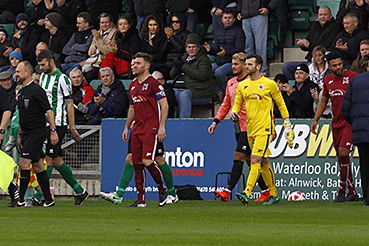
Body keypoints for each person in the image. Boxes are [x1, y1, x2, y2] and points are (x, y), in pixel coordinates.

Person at [230, 54, 295, 205]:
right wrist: (234, 112)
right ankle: (274, 194)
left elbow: (280, 103)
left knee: (255, 160)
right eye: (245, 64)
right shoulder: (243, 86)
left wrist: (287, 124)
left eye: (250, 64)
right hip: (250, 129)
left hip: (265, 129)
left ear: (258, 67)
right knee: (264, 161)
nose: (246, 67)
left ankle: (247, 192)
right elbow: (238, 104)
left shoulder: (269, 84)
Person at [209, 52, 270, 202]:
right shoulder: (231, 83)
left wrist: (271, 126)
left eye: (236, 64)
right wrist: (216, 121)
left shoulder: (253, 82)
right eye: (232, 63)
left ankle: (227, 191)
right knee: (251, 161)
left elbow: (267, 106)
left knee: (239, 156)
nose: (233, 66)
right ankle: (267, 191)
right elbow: (226, 104)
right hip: (238, 126)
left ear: (245, 65)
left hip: (252, 126)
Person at [33, 49, 89, 206]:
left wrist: (72, 127)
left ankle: (41, 196)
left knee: (48, 159)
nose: (41, 68)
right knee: (57, 160)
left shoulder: (63, 79)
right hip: (44, 123)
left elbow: (69, 104)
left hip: (58, 124)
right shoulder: (43, 77)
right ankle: (80, 191)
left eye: (43, 64)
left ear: (51, 60)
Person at [122, 52, 169, 207]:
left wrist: (162, 126)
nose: (133, 66)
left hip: (151, 127)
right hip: (137, 128)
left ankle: (162, 189)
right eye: (133, 63)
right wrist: (127, 127)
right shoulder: (133, 85)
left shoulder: (154, 83)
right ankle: (141, 200)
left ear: (146, 66)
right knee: (137, 164)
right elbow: (132, 107)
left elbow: (164, 104)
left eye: (137, 63)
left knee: (148, 161)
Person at [311, 52, 359, 202]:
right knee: (341, 158)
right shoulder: (328, 79)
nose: (338, 67)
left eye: (339, 64)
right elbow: (324, 101)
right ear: (329, 66)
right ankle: (352, 192)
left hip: (350, 122)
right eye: (334, 65)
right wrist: (315, 120)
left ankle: (341, 189)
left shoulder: (353, 77)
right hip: (336, 122)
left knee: (344, 153)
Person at [15, 61, 56, 207]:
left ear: (27, 72)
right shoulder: (22, 91)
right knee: (38, 165)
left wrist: (53, 131)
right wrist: (20, 134)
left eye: (19, 71)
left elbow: (48, 111)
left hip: (37, 132)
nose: (16, 74)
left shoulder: (37, 90)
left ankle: (20, 200)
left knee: (24, 162)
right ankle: (49, 200)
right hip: (26, 133)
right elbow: (23, 115)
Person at [283, 6, 340, 80]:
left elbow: (325, 46)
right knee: (286, 66)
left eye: (325, 15)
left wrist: (309, 45)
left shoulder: (335, 27)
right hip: (310, 60)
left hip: (322, 63)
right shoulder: (315, 26)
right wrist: (302, 44)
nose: (322, 17)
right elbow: (308, 41)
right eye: (320, 15)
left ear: (330, 16)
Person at [170, 33, 216, 118]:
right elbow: (171, 76)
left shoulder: (203, 59)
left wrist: (183, 66)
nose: (191, 49)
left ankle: (183, 123)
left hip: (198, 92)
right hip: (178, 89)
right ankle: (166, 123)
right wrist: (177, 66)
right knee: (166, 93)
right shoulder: (184, 58)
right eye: (189, 47)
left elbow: (202, 75)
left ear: (198, 48)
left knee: (184, 94)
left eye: (193, 47)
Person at [204, 9, 245, 102]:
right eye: (225, 18)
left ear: (234, 19)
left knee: (219, 72)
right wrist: (210, 50)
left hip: (232, 62)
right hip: (219, 60)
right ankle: (218, 91)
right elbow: (217, 50)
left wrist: (226, 52)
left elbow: (240, 50)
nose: (227, 20)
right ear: (222, 20)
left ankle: (226, 92)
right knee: (205, 70)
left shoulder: (239, 32)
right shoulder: (218, 31)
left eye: (230, 18)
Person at [342, 67, 369, 206]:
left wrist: (355, 121)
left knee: (364, 164)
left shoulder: (356, 81)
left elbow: (345, 107)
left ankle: (367, 197)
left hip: (361, 130)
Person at [237, 0, 278, 73]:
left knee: (260, 45)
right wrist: (239, 11)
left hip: (259, 15)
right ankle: (249, 70)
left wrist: (268, 8)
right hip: (245, 16)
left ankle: (262, 70)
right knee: (247, 46)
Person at [83, 12, 117, 81]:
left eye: (106, 22)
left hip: (104, 61)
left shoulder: (115, 33)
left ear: (111, 22)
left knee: (87, 76)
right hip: (93, 60)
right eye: (102, 23)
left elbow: (108, 52)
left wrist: (98, 40)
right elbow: (90, 52)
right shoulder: (97, 33)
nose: (104, 25)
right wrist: (99, 43)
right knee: (76, 70)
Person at [308, 46, 332, 117]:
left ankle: (327, 113)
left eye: (320, 55)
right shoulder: (310, 67)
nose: (318, 58)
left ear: (324, 56)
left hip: (325, 90)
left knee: (323, 93)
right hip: (314, 90)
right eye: (315, 56)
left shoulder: (329, 67)